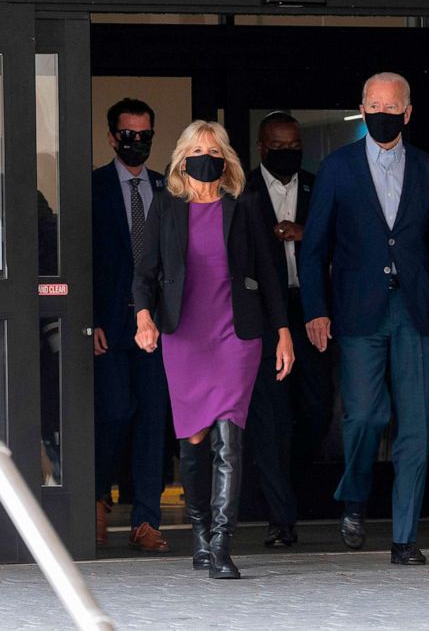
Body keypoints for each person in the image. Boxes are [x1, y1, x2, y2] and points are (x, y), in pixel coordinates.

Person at [299, 72, 429, 566]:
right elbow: (314, 245)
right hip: (357, 310)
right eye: (373, 104)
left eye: (392, 106)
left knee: (415, 426)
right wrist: (316, 309)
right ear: (362, 109)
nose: (382, 112)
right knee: (365, 414)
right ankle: (356, 496)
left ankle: (405, 538)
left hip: (417, 311)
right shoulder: (338, 168)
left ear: (407, 113)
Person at [133, 120, 294, 579]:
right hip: (184, 336)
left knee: (229, 438)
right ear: (183, 158)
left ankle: (223, 543)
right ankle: (200, 531)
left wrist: (283, 331)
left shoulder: (245, 207)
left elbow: (269, 273)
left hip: (235, 335)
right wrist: (143, 316)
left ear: (226, 159)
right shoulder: (164, 206)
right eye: (199, 149)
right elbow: (144, 272)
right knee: (195, 440)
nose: (207, 156)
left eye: (215, 149)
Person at [244, 112, 334, 548]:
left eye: (294, 145)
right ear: (261, 148)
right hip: (264, 316)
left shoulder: (319, 186)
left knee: (316, 413)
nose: (287, 153)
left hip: (311, 312)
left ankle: (291, 494)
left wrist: (306, 233)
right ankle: (281, 517)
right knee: (271, 417)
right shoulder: (243, 189)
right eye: (278, 147)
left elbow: (344, 240)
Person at [91, 98, 171, 552]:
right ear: (111, 137)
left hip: (157, 329)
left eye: (144, 135)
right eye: (128, 135)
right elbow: (81, 261)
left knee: (152, 421)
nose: (136, 143)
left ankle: (146, 521)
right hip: (110, 325)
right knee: (115, 412)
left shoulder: (166, 188)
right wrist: (90, 320)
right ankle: (98, 498)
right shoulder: (93, 187)